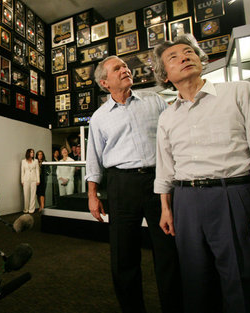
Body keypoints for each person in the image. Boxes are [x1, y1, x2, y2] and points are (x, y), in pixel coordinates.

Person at [152, 34, 250, 313]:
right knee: (196, 282)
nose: (184, 57)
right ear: (165, 75)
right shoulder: (167, 116)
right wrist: (166, 208)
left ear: (201, 59)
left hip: (235, 194)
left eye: (189, 52)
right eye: (173, 57)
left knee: (247, 282)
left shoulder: (240, 92)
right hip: (185, 201)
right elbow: (165, 166)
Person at [85, 55, 182, 313]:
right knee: (123, 254)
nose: (125, 70)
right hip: (121, 184)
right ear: (105, 83)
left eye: (125, 66)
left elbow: (172, 139)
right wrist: (92, 195)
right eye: (117, 68)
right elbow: (93, 158)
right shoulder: (99, 117)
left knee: (168, 250)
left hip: (158, 182)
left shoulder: (155, 102)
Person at [21, 148, 39, 214]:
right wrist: (22, 180)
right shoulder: (23, 161)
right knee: (26, 195)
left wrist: (38, 180)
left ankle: (32, 209)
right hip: (26, 179)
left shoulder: (36, 161)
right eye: (31, 152)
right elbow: (22, 171)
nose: (32, 153)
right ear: (28, 153)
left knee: (33, 195)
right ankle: (26, 209)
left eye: (33, 152)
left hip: (34, 179)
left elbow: (37, 171)